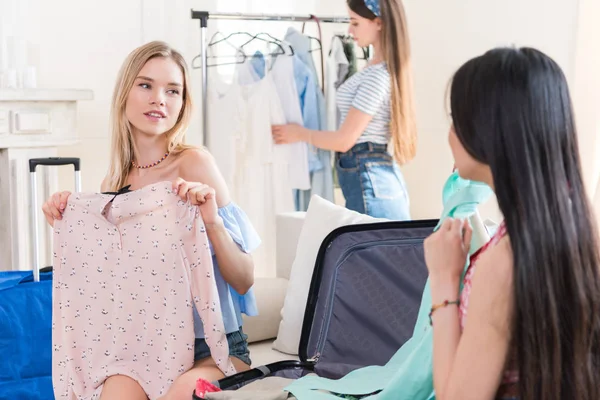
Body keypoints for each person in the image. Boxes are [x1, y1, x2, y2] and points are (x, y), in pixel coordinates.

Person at [41, 41, 259, 400]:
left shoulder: (194, 164)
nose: (159, 98)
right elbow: (113, 285)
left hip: (213, 350)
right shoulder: (112, 186)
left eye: (172, 90)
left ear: (182, 104)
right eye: (146, 85)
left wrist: (212, 222)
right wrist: (70, 225)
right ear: (125, 93)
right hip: (142, 350)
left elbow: (245, 279)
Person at [424, 47, 600, 400]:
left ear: (489, 132)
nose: (450, 135)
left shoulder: (504, 264)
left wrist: (443, 280)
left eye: (455, 119)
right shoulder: (582, 229)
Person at [271, 0, 417, 220]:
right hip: (375, 176)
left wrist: (300, 133)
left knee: (370, 253)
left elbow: (344, 140)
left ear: (378, 23)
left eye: (355, 23)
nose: (350, 30)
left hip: (369, 177)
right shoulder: (376, 68)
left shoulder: (376, 76)